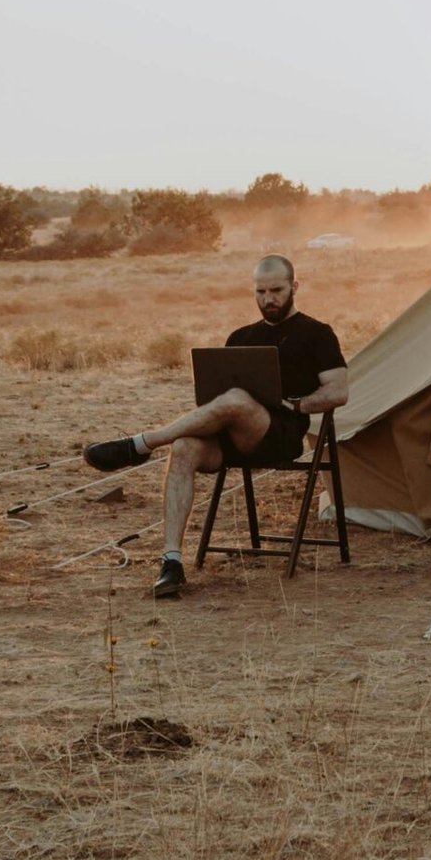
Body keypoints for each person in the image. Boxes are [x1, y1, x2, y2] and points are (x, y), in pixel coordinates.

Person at [82, 254, 347, 600]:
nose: (268, 299)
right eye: (261, 291)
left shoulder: (317, 334)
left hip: (279, 436)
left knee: (236, 399)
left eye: (277, 290)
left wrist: (296, 404)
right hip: (230, 437)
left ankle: (142, 444)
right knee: (183, 448)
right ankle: (172, 562)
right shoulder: (241, 336)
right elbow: (214, 400)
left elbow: (338, 392)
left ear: (294, 286)